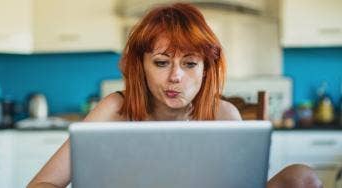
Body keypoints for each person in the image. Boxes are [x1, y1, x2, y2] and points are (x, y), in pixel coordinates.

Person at [28, 3, 322, 188]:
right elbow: (42, 183)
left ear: (206, 69)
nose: (175, 77)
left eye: (190, 63)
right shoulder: (114, 108)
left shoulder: (225, 115)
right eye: (161, 62)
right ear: (140, 66)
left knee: (303, 176)